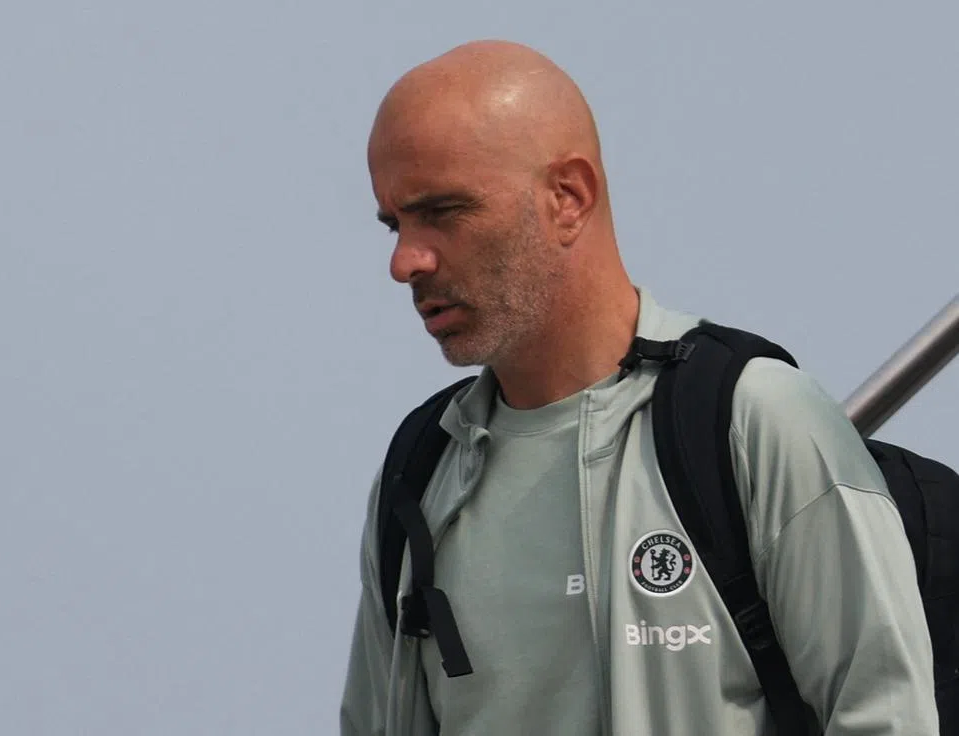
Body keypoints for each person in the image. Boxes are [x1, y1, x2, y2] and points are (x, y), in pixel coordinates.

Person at [339, 39, 938, 735]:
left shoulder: (754, 422)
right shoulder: (418, 473)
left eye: (442, 211)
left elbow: (886, 716)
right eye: (395, 223)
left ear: (567, 198)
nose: (405, 260)